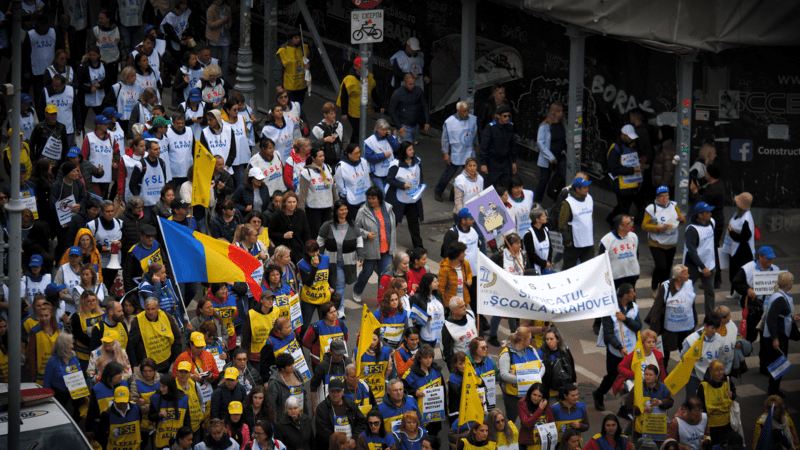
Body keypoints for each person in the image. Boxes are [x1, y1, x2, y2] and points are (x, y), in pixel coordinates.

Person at [593, 284, 640, 411]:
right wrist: (619, 347)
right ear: (625, 296)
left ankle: (625, 407)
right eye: (632, 292)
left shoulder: (634, 307)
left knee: (630, 377)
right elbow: (608, 334)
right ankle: (599, 394)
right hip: (616, 352)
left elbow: (638, 326)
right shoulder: (610, 311)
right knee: (613, 376)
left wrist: (625, 319)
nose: (634, 294)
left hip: (631, 351)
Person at [318, 200, 364, 316]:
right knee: (339, 284)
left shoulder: (353, 225)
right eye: (341, 209)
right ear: (336, 211)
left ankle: (333, 305)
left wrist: (361, 255)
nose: (344, 212)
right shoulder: (327, 226)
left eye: (346, 209)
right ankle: (340, 308)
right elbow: (320, 241)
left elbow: (359, 240)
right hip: (333, 262)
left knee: (340, 284)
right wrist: (318, 255)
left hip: (349, 261)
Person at [354, 186, 397, 303]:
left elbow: (392, 229)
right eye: (369, 198)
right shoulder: (363, 211)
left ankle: (382, 299)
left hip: (387, 249)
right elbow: (356, 228)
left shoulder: (388, 209)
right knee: (366, 273)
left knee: (384, 276)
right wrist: (366, 234)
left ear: (379, 198)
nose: (371, 201)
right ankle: (357, 290)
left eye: (373, 198)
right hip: (371, 249)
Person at [650, 265, 697, 367]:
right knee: (665, 352)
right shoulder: (665, 287)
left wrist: (695, 321)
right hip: (670, 328)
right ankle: (663, 371)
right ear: (679, 277)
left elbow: (692, 304)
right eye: (686, 274)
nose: (688, 275)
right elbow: (657, 308)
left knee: (686, 350)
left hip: (686, 327)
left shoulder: (689, 284)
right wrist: (654, 330)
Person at [641, 186, 685, 296]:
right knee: (661, 266)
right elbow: (644, 226)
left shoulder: (674, 206)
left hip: (671, 242)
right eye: (661, 196)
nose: (664, 198)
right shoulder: (652, 209)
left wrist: (682, 219)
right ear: (657, 197)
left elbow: (682, 222)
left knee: (667, 268)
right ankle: (654, 287)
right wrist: (657, 228)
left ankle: (664, 289)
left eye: (666, 195)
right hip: (657, 243)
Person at [689, 164, 724, 288]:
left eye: (706, 173)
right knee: (713, 248)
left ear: (710, 174)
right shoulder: (718, 185)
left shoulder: (712, 190)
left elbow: (702, 205)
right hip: (719, 220)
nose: (705, 175)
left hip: (713, 222)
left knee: (712, 250)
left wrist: (695, 192)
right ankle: (715, 278)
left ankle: (714, 279)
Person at [435, 102, 478, 203]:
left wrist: (476, 145)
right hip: (456, 153)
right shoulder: (449, 122)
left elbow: (475, 134)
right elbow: (445, 139)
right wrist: (445, 152)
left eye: (467, 110)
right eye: (464, 111)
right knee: (448, 175)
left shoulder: (472, 119)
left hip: (468, 152)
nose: (466, 113)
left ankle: (455, 195)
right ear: (458, 111)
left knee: (470, 175)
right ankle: (438, 191)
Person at [498, 327, 543, 423]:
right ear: (523, 340)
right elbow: (504, 375)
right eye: (529, 339)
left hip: (530, 394)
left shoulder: (531, 349)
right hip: (513, 396)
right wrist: (525, 379)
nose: (531, 341)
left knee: (529, 419)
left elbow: (542, 366)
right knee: (511, 421)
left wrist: (536, 377)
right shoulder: (506, 354)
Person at [763, 271, 797, 397]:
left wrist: (792, 316)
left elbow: (780, 314)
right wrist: (775, 339)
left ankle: (774, 390)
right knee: (779, 364)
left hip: (780, 334)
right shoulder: (780, 298)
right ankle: (773, 391)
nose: (793, 283)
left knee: (779, 364)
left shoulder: (780, 295)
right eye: (792, 281)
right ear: (788, 284)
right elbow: (771, 320)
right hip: (778, 336)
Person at [386, 141, 425, 249]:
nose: (412, 151)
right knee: (394, 222)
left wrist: (419, 187)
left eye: (412, 149)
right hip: (398, 198)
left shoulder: (417, 161)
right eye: (409, 150)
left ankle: (418, 246)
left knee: (414, 223)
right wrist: (401, 185)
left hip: (412, 198)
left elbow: (420, 176)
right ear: (404, 151)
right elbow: (389, 179)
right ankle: (387, 243)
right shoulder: (396, 164)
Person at [128, 296, 182, 374]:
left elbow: (176, 338)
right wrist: (135, 364)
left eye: (153, 309)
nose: (150, 312)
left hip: (166, 362)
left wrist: (177, 360)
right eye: (147, 309)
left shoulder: (167, 317)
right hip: (147, 366)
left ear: (158, 308)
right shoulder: (137, 322)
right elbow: (132, 345)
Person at [337, 57, 384, 144]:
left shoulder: (369, 78)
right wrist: (343, 113)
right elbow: (344, 97)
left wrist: (380, 105)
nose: (364, 68)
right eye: (361, 66)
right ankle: (355, 149)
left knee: (357, 132)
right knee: (358, 131)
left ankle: (352, 149)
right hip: (353, 111)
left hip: (364, 110)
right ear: (355, 67)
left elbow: (373, 93)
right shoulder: (349, 80)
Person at [43, 332, 89, 420]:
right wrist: (49, 399)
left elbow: (79, 376)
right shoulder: (52, 361)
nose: (72, 346)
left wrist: (85, 395)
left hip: (74, 391)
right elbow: (46, 382)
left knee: (79, 412)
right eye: (70, 344)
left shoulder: (74, 357)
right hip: (59, 393)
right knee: (60, 415)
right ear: (63, 346)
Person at [679, 313, 723, 405]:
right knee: (691, 401)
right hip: (694, 375)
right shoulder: (693, 340)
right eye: (712, 328)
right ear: (705, 326)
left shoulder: (719, 339)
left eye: (716, 328)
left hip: (710, 375)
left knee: (707, 399)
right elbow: (683, 356)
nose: (714, 331)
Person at [626, 364, 673, 448]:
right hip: (640, 429)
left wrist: (660, 403)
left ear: (656, 376)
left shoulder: (662, 388)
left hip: (657, 429)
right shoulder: (637, 387)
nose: (647, 377)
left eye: (650, 375)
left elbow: (670, 402)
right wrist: (642, 409)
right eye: (646, 374)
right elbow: (627, 406)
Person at [682, 202, 717, 316]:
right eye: (707, 212)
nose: (710, 214)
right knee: (686, 291)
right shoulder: (691, 230)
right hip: (693, 266)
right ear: (700, 215)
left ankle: (710, 317)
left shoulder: (711, 222)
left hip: (709, 265)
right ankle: (684, 314)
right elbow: (692, 252)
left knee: (710, 293)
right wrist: (702, 267)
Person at [605, 124, 642, 226]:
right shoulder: (616, 148)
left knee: (624, 206)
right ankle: (619, 228)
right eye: (629, 136)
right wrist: (631, 170)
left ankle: (612, 219)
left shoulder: (630, 145)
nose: (631, 139)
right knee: (624, 209)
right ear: (623, 135)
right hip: (621, 184)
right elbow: (614, 167)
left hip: (630, 184)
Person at [315, 378, 368, 448]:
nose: (335, 394)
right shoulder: (321, 408)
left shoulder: (351, 405)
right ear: (328, 392)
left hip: (350, 445)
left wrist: (354, 439)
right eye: (332, 391)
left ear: (342, 392)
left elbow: (361, 423)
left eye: (338, 391)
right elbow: (321, 430)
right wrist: (337, 443)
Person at [722, 193, 754, 298]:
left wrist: (732, 233)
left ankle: (741, 293)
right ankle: (736, 291)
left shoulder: (746, 218)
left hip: (742, 251)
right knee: (734, 271)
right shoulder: (739, 214)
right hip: (735, 249)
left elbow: (745, 236)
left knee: (740, 272)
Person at [298, 147, 336, 237]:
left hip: (327, 206)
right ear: (313, 158)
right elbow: (303, 193)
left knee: (327, 232)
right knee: (316, 233)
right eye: (319, 156)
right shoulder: (307, 172)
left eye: (323, 156)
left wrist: (335, 201)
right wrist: (301, 211)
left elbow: (332, 186)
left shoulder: (327, 168)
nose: (322, 158)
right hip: (313, 208)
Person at [296, 240, 331, 335]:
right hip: (309, 300)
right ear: (306, 252)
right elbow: (308, 283)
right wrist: (314, 267)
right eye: (312, 251)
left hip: (324, 298)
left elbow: (331, 274)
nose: (315, 254)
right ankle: (300, 342)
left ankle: (322, 345)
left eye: (317, 250)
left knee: (325, 324)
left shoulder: (325, 259)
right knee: (304, 325)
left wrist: (332, 287)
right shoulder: (302, 264)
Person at [86, 362, 128, 440]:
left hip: (123, 426)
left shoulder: (125, 384)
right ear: (110, 375)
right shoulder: (97, 389)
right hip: (104, 427)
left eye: (122, 373)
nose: (122, 375)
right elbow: (92, 410)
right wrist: (88, 429)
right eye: (119, 373)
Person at [259, 317, 308, 384]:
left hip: (296, 374)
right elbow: (265, 365)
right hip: (281, 379)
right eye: (287, 328)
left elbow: (300, 350)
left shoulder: (293, 335)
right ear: (279, 331)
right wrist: (266, 381)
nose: (290, 329)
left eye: (290, 326)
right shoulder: (269, 343)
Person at [535, 102, 568, 203]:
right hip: (548, 158)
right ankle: (537, 202)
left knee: (563, 177)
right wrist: (551, 157)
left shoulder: (563, 124)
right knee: (544, 180)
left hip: (560, 156)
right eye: (558, 111)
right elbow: (540, 143)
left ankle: (557, 201)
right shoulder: (544, 126)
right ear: (553, 112)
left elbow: (566, 140)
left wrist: (564, 151)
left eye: (561, 111)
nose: (560, 113)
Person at [138, 262, 187, 329]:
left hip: (171, 321)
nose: (166, 275)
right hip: (156, 324)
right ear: (155, 274)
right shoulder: (145, 286)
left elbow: (175, 305)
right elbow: (153, 302)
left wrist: (180, 322)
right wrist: (157, 284)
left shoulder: (167, 283)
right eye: (163, 273)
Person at [87, 200, 124, 287]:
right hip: (99, 264)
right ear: (102, 212)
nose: (110, 213)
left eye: (112, 211)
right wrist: (100, 248)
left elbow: (126, 238)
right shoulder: (93, 225)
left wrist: (121, 243)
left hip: (115, 263)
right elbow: (86, 243)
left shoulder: (119, 223)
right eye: (107, 211)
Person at [559, 177, 594, 270]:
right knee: (569, 268)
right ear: (577, 190)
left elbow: (590, 217)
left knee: (588, 268)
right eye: (584, 188)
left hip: (588, 241)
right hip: (574, 242)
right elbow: (562, 223)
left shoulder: (589, 198)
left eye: (587, 187)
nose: (587, 189)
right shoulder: (568, 203)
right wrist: (567, 241)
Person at [696, 360, 734, 443]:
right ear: (711, 371)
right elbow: (701, 407)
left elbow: (734, 396)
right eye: (716, 370)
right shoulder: (703, 386)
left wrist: (732, 396)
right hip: (711, 427)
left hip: (726, 425)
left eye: (722, 369)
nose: (720, 372)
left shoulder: (727, 382)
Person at [242, 291, 281, 372]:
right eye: (267, 299)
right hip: (256, 352)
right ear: (261, 300)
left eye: (272, 299)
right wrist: (245, 353)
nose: (270, 301)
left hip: (271, 351)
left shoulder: (276, 311)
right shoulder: (251, 314)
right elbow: (246, 335)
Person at [270, 191, 311, 266]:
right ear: (284, 203)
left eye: (294, 202)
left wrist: (308, 248)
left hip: (299, 249)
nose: (292, 205)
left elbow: (306, 233)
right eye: (289, 202)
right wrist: (283, 236)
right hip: (284, 251)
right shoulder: (277, 215)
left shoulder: (301, 214)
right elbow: (271, 233)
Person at [480, 106, 517, 189]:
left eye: (508, 116)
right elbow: (484, 146)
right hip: (493, 162)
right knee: (489, 188)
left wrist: (514, 161)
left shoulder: (510, 127)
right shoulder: (490, 127)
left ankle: (503, 202)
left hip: (506, 162)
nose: (507, 118)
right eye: (505, 116)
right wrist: (483, 163)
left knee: (506, 187)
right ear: (498, 116)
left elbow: (512, 145)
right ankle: (487, 202)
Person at [267, 352, 309, 423]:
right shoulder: (274, 382)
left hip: (300, 414)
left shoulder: (296, 372)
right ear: (282, 369)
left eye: (292, 364)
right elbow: (271, 404)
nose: (293, 366)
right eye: (289, 365)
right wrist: (275, 423)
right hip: (285, 420)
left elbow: (303, 390)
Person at [389, 74, 430, 145]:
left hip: (415, 125)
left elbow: (425, 106)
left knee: (410, 148)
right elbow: (392, 111)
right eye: (410, 84)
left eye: (413, 84)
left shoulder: (418, 91)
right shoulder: (397, 94)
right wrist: (399, 127)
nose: (412, 86)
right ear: (404, 83)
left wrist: (427, 121)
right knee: (407, 147)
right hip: (404, 125)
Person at [536, 326, 576, 399]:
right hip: (549, 389)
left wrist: (573, 382)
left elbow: (571, 366)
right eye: (547, 339)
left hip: (563, 387)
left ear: (558, 339)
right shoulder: (541, 353)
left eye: (551, 339)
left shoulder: (565, 350)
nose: (549, 342)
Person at [309, 337, 350, 407]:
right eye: (337, 354)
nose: (340, 357)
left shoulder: (348, 363)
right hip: (327, 404)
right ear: (330, 351)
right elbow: (313, 386)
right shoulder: (322, 366)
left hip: (345, 402)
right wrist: (314, 405)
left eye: (341, 354)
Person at [122, 223, 162, 292]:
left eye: (152, 236)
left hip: (158, 282)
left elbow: (165, 262)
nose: (151, 239)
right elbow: (127, 276)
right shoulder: (133, 252)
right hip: (142, 287)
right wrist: (130, 293)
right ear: (141, 237)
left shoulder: (156, 244)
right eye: (148, 237)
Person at [27, 304, 62, 382]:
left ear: (51, 314)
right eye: (41, 316)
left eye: (46, 315)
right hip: (42, 371)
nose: (44, 318)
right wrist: (33, 373)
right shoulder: (35, 331)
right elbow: (31, 353)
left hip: (58, 369)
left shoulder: (60, 329)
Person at [409, 273, 445, 348]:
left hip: (437, 330)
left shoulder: (438, 293)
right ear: (428, 284)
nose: (437, 283)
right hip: (423, 331)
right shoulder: (417, 297)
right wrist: (424, 318)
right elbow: (413, 316)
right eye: (435, 282)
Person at [276, 30, 310, 106]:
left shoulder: (304, 48)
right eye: (296, 38)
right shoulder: (283, 51)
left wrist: (308, 65)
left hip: (301, 85)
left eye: (299, 37)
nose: (298, 39)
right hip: (289, 86)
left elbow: (308, 60)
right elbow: (278, 69)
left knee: (299, 106)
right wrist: (278, 85)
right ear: (290, 39)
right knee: (291, 106)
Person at [129, 358, 161, 440]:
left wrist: (145, 406)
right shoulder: (135, 383)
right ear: (141, 371)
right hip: (143, 425)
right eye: (145, 371)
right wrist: (139, 405)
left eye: (150, 371)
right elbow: (134, 405)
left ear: (154, 370)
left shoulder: (161, 380)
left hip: (159, 423)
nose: (147, 373)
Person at [441, 296, 476, 370]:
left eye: (465, 305)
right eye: (461, 307)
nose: (464, 308)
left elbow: (479, 330)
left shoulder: (470, 315)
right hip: (462, 364)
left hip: (476, 358)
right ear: (453, 310)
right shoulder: (448, 328)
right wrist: (454, 370)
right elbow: (447, 353)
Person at [361, 328, 394, 401]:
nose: (372, 342)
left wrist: (381, 377)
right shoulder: (358, 351)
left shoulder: (386, 351)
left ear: (379, 339)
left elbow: (389, 369)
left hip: (379, 394)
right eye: (369, 339)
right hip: (363, 394)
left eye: (374, 340)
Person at [519, 383, 555, 450]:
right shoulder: (522, 403)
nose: (536, 398)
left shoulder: (545, 403)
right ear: (530, 393)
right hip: (528, 442)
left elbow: (551, 423)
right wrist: (540, 409)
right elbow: (527, 423)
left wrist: (546, 436)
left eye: (539, 396)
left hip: (543, 442)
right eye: (534, 394)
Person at [312, 102, 345, 169]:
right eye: (331, 114)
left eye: (334, 113)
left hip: (338, 161)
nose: (334, 115)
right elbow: (314, 145)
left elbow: (344, 142)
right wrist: (325, 140)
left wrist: (344, 154)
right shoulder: (318, 129)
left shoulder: (339, 125)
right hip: (325, 164)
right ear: (325, 115)